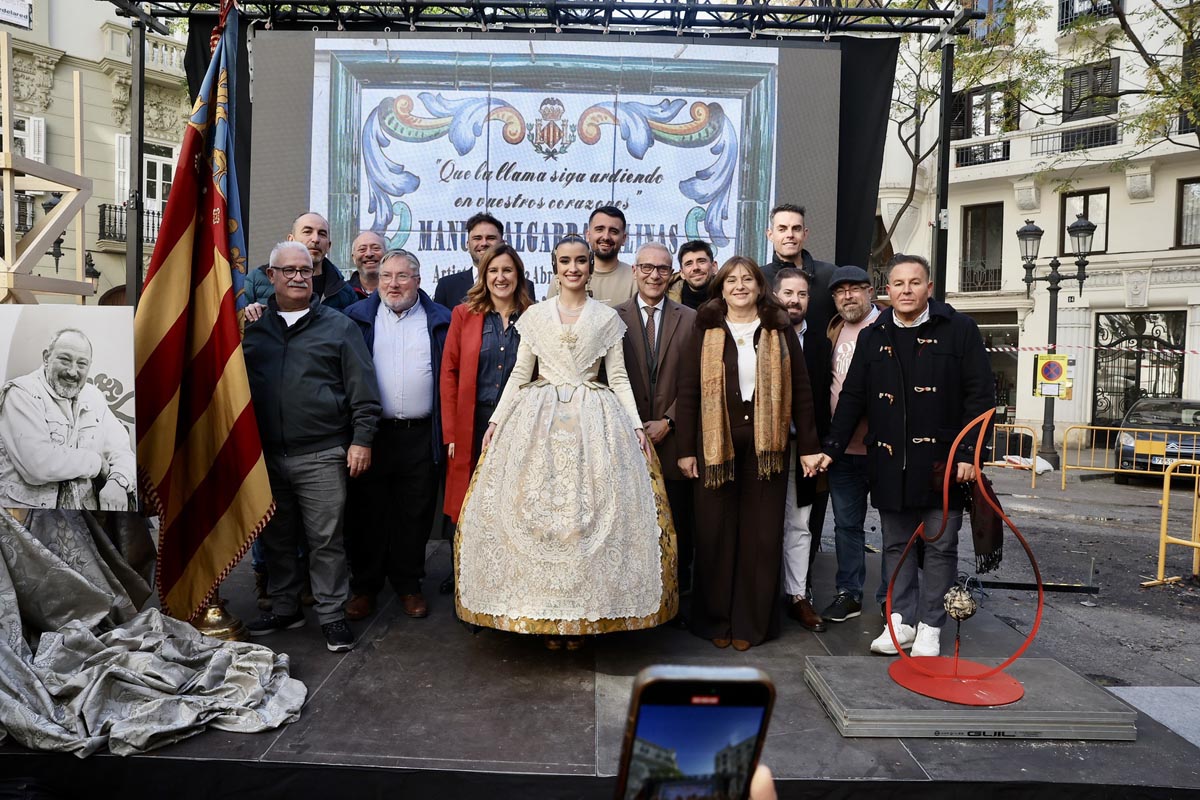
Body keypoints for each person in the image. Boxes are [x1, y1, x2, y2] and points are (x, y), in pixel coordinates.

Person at [455, 235, 676, 650]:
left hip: (595, 422)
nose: (572, 268)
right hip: (537, 420)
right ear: (554, 268)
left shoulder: (607, 317)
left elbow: (619, 378)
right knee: (538, 517)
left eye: (580, 261)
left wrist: (633, 427)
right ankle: (544, 615)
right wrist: (497, 421)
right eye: (564, 262)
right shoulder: (536, 316)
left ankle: (580, 621)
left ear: (590, 267)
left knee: (587, 519)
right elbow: (521, 374)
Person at [812, 254, 993, 658]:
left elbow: (981, 398)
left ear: (929, 288)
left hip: (942, 464)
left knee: (941, 545)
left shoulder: (959, 329)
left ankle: (931, 624)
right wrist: (832, 449)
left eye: (915, 283)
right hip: (890, 462)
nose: (906, 290)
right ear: (886, 291)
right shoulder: (874, 335)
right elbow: (854, 397)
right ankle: (900, 620)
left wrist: (969, 454)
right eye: (898, 283)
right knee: (896, 545)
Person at [676, 256, 820, 651]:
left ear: (761, 287)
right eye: (731, 280)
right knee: (714, 534)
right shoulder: (704, 328)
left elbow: (802, 391)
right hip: (713, 449)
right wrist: (686, 450)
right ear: (720, 287)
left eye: (747, 280)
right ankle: (715, 621)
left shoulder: (779, 328)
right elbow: (688, 392)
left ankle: (751, 624)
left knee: (760, 537)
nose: (739, 286)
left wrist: (809, 447)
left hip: (767, 448)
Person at [242, 241, 381, 652]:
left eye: (304, 270)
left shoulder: (339, 327)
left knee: (326, 541)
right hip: (266, 454)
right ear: (271, 277)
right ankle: (285, 607)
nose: (299, 277)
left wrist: (361, 440)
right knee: (277, 538)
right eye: (288, 271)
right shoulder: (253, 326)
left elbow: (364, 391)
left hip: (321, 453)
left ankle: (332, 615)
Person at [343, 249, 451, 621]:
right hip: (371, 434)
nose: (393, 284)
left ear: (418, 281)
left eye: (403, 276)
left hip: (421, 435)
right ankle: (365, 588)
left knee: (414, 514)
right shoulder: (356, 318)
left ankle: (408, 585)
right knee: (366, 513)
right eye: (387, 276)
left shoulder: (441, 320)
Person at [439, 243, 534, 595]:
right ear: (484, 275)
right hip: (471, 422)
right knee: (466, 500)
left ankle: (506, 573)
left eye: (507, 270)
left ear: (518, 275)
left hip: (518, 426)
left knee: (510, 501)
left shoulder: (535, 316)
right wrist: (450, 431)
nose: (500, 277)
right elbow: (449, 372)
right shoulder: (464, 314)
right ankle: (462, 570)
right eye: (493, 271)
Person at [616, 242, 697, 596]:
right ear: (634, 271)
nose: (654, 275)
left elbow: (698, 379)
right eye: (646, 267)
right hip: (625, 440)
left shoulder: (691, 319)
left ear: (671, 274)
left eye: (662, 268)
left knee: (677, 525)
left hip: (674, 440)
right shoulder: (611, 318)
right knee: (629, 526)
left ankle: (674, 598)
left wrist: (669, 420)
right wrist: (632, 423)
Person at [0, 328, 135, 511]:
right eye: (65, 360)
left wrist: (118, 481)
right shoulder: (21, 393)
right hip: (27, 522)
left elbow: (122, 451)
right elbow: (38, 464)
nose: (72, 371)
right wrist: (97, 462)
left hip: (85, 521)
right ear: (46, 357)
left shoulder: (93, 396)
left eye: (81, 364)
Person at [819, 265, 886, 625]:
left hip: (884, 450)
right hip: (842, 450)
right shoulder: (834, 330)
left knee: (893, 527)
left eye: (855, 288)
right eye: (840, 290)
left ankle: (892, 598)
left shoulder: (888, 327)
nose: (848, 296)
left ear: (870, 291)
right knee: (846, 525)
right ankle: (850, 594)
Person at [773, 267, 829, 632]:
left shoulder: (823, 343)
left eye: (802, 294)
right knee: (759, 523)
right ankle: (759, 596)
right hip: (762, 447)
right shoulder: (759, 335)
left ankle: (797, 596)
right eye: (788, 293)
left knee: (799, 523)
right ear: (774, 295)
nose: (795, 300)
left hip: (804, 449)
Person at [245, 212, 357, 311]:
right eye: (307, 232)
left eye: (322, 234)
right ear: (291, 239)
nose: (315, 239)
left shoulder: (344, 291)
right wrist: (246, 312)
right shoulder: (256, 280)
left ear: (329, 245)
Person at [762, 204, 836, 337]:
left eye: (796, 229)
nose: (790, 235)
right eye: (782, 229)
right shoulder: (758, 279)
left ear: (805, 234)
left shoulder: (830, 275)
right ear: (770, 234)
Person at [547, 206, 637, 306]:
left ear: (624, 238)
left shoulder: (635, 278)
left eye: (613, 231)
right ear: (588, 235)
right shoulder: (564, 278)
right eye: (599, 229)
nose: (606, 237)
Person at [433, 212, 504, 308]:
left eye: (491, 238)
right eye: (477, 238)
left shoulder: (523, 286)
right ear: (468, 245)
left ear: (502, 244)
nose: (484, 243)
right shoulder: (447, 286)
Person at [668, 240, 717, 310]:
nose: (696, 268)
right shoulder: (666, 299)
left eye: (701, 261)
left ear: (714, 267)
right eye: (689, 264)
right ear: (682, 273)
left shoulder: (730, 296)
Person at [349, 230, 386, 300]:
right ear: (353, 258)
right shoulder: (343, 293)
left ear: (386, 254)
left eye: (376, 248)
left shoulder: (396, 291)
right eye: (362, 249)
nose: (369, 254)